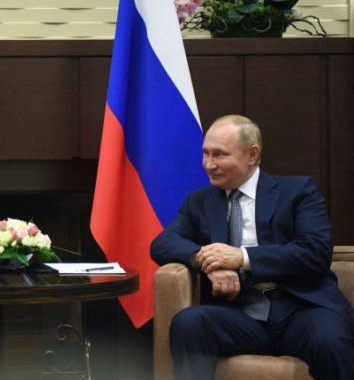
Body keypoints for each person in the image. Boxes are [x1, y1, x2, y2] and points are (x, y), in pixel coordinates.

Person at [150, 114, 354, 380]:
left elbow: (314, 253)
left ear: (252, 154)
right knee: (189, 323)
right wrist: (206, 260)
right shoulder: (198, 202)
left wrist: (241, 257)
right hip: (240, 314)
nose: (209, 164)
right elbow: (163, 243)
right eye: (205, 153)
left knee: (330, 341)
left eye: (220, 154)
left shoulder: (298, 191)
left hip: (303, 309)